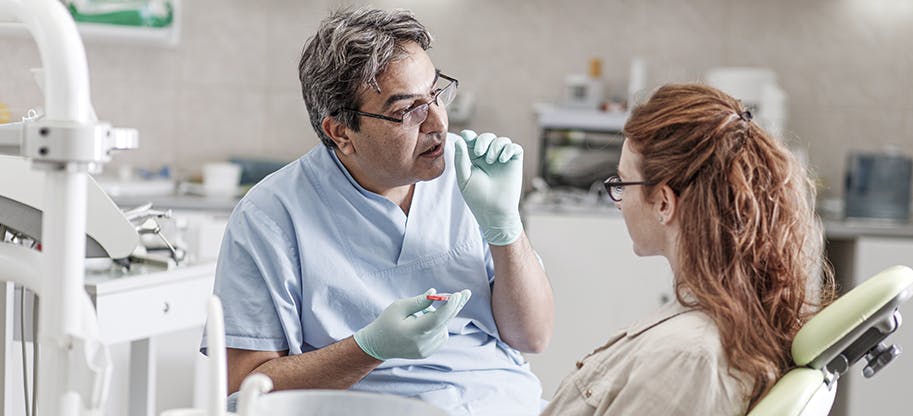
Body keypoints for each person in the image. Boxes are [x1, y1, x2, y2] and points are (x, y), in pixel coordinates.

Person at [203, 7, 553, 415]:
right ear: (341, 132)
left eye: (436, 94)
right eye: (407, 110)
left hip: (503, 403)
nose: (437, 123)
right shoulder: (271, 216)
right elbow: (245, 387)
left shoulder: (470, 172)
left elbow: (534, 337)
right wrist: (369, 348)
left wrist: (505, 228)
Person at [541, 83, 835, 415]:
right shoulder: (725, 318)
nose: (619, 202)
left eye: (623, 184)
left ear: (664, 202)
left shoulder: (687, 358)